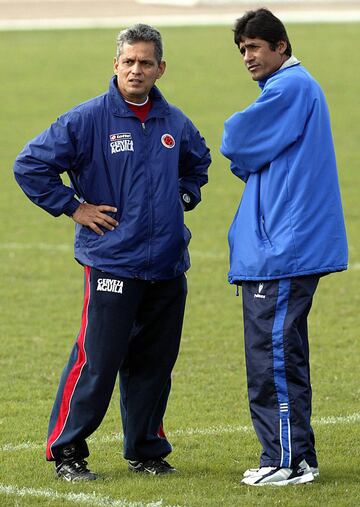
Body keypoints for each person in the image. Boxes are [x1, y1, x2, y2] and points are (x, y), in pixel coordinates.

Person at [14, 23, 210, 481]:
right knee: (97, 362)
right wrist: (73, 207)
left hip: (166, 266)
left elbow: (198, 163)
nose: (136, 70)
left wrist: (183, 196)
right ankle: (67, 452)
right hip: (111, 264)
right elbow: (30, 165)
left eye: (145, 62)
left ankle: (145, 450)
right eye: (128, 62)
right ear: (115, 65)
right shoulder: (87, 120)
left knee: (154, 365)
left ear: (161, 68)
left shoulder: (174, 122)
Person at [220, 9, 347, 486]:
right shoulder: (293, 88)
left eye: (254, 47)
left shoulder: (290, 87)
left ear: (281, 46)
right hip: (284, 249)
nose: (247, 57)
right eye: (242, 50)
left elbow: (236, 137)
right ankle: (301, 458)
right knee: (284, 355)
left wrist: (250, 156)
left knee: (270, 357)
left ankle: (284, 460)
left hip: (281, 251)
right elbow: (250, 151)